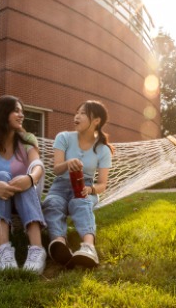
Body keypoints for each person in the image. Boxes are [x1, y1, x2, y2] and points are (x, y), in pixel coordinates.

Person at [0, 95, 47, 274]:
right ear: (3, 113)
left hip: (23, 199)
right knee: (1, 175)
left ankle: (37, 250)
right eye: (16, 111)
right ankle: (3, 249)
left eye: (22, 112)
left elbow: (37, 166)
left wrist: (29, 179)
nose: (21, 115)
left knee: (24, 180)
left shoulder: (27, 139)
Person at [42, 100, 113, 268]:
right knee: (52, 203)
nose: (77, 116)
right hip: (60, 184)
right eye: (77, 113)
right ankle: (59, 243)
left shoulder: (103, 149)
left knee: (79, 202)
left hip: (85, 186)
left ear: (96, 120)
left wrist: (90, 189)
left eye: (82, 113)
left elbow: (103, 184)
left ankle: (89, 247)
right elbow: (56, 170)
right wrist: (68, 163)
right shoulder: (64, 137)